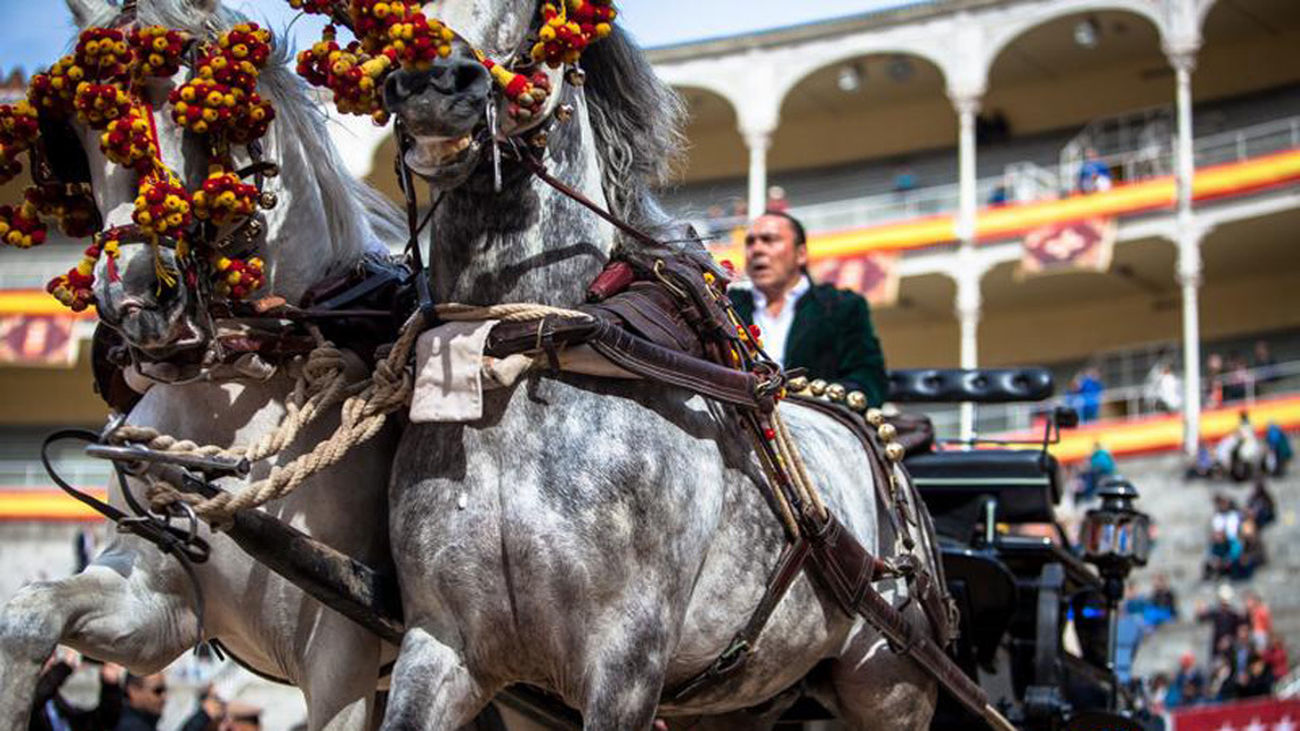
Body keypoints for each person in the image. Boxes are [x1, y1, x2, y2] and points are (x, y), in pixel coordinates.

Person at [730, 211, 888, 405]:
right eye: (750, 242)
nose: (757, 249)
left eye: (769, 240)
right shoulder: (727, 308)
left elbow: (869, 380)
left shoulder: (842, 306)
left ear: (801, 254)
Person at [28, 648, 122, 731]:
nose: (52, 662)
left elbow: (103, 722)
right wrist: (63, 667)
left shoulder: (55, 704)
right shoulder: (29, 701)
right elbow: (33, 702)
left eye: (53, 657)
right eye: (47, 658)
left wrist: (110, 687)